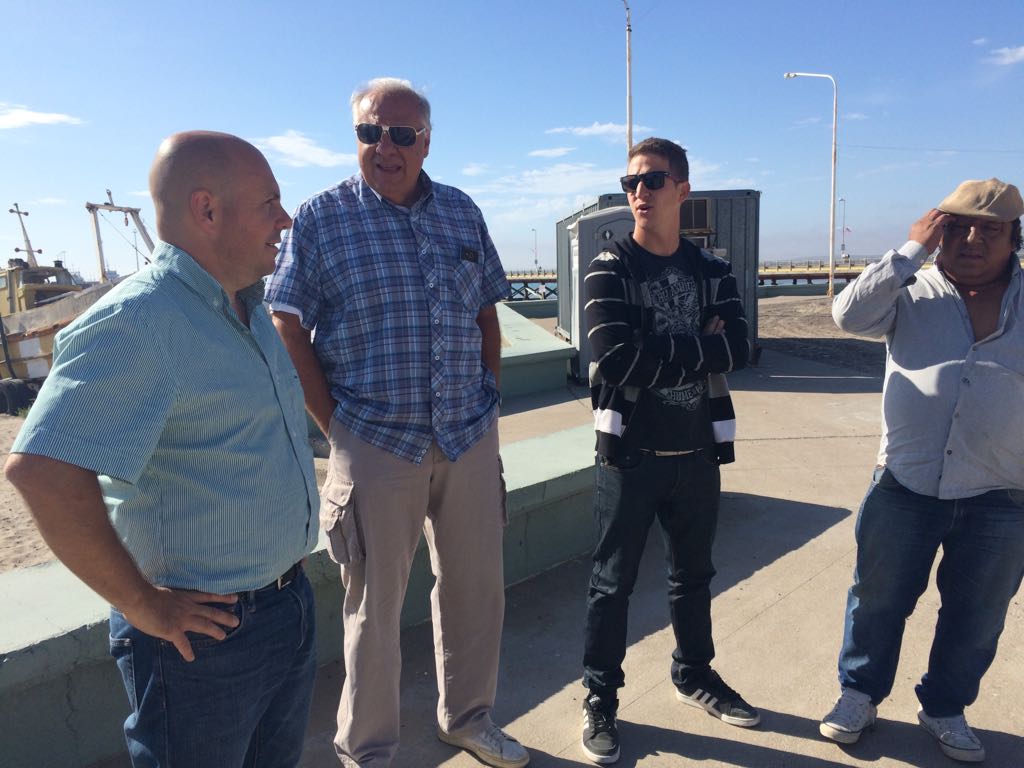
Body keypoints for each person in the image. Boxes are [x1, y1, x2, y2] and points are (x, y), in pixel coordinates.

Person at [4, 132, 320, 767]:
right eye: (269, 202)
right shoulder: (141, 319)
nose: (285, 219)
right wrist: (143, 604)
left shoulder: (248, 308)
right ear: (206, 210)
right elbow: (41, 469)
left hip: (286, 605)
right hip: (201, 640)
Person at [266, 77, 528, 768]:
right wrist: (336, 428)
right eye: (369, 133)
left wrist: (489, 402)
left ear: (426, 141)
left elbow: (486, 318)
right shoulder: (321, 218)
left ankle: (468, 718)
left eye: (402, 134)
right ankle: (368, 751)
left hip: (469, 435)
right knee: (373, 613)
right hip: (375, 441)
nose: (385, 146)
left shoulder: (463, 213)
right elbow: (285, 322)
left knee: (476, 591)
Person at [821, 178, 1024, 764]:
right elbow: (847, 316)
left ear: (1014, 237)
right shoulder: (911, 288)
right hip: (906, 483)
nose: (971, 239)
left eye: (990, 230)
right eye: (957, 226)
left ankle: (944, 708)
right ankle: (858, 694)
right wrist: (910, 250)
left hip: (1002, 490)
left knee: (978, 612)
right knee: (877, 598)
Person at [579, 137, 754, 765]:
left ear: (682, 188)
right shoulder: (610, 267)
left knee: (694, 577)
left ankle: (695, 674)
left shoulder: (713, 271)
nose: (638, 193)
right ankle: (600, 696)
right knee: (611, 585)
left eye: (652, 181)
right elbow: (614, 356)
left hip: (698, 450)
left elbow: (738, 348)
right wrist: (693, 344)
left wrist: (659, 348)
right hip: (630, 454)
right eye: (629, 183)